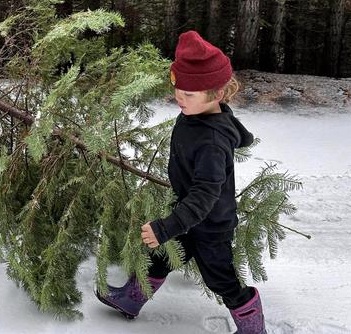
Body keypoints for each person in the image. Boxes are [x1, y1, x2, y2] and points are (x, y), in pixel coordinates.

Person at [96, 31, 267, 334]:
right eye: (178, 89)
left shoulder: (213, 142)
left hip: (210, 225)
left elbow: (205, 194)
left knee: (221, 279)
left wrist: (166, 227)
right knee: (161, 256)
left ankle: (253, 327)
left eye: (189, 94)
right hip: (187, 213)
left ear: (215, 94)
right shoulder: (197, 113)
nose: (179, 98)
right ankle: (132, 299)